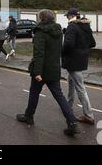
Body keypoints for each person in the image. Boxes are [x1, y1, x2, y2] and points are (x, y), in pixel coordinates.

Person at [16, 9, 79, 137]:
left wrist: (38, 72)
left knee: (34, 93)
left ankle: (29, 116)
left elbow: (39, 53)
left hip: (41, 70)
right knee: (59, 96)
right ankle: (72, 122)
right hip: (54, 68)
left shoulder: (40, 31)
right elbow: (58, 50)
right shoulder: (58, 30)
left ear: (42, 18)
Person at [62, 8, 96, 125]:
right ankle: (68, 105)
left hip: (73, 60)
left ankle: (88, 115)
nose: (67, 18)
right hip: (81, 59)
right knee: (71, 82)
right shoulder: (85, 26)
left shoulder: (72, 26)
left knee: (80, 87)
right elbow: (92, 43)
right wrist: (81, 50)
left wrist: (62, 53)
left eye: (67, 16)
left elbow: (68, 44)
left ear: (71, 16)